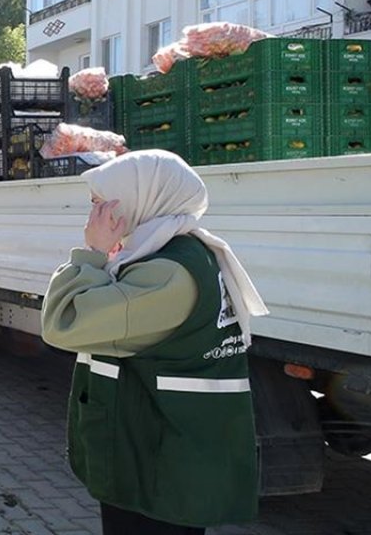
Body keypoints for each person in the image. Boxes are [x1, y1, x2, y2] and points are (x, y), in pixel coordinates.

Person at [40, 150, 267, 535]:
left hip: (159, 462)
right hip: (161, 454)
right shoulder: (176, 253)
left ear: (141, 201)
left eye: (101, 203)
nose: (93, 214)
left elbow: (65, 322)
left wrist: (92, 253)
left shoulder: (166, 273)